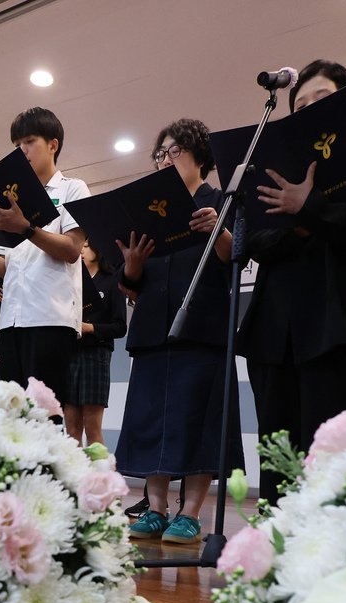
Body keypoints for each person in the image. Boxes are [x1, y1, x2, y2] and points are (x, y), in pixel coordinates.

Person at [237, 59, 346, 494]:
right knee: (276, 460)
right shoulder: (270, 167)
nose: (308, 109)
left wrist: (307, 211)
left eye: (321, 99)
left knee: (326, 460)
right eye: (298, 104)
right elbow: (255, 241)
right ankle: (272, 553)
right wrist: (310, 223)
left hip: (333, 326)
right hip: (271, 331)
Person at [114, 119, 241, 546]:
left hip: (202, 328)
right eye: (160, 153)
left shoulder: (221, 200)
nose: (165, 159)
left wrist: (219, 232)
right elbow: (131, 283)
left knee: (196, 420)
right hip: (152, 329)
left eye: (174, 152)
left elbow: (237, 258)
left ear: (199, 157)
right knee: (152, 418)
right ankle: (155, 509)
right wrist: (130, 267)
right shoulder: (149, 208)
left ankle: (190, 514)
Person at [0, 107, 90, 400]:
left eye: (29, 142)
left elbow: (72, 249)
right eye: (17, 146)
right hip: (10, 321)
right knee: (10, 412)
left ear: (53, 145)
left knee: (44, 416)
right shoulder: (12, 201)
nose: (22, 151)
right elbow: (7, 268)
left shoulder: (73, 188)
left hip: (51, 319)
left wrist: (26, 228)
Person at [64, 241, 127, 446]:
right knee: (71, 429)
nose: (81, 249)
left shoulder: (111, 281)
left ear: (98, 251)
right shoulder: (69, 282)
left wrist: (90, 328)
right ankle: (75, 477)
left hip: (96, 355)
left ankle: (98, 477)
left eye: (87, 245)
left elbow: (119, 327)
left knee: (92, 428)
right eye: (78, 245)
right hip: (70, 353)